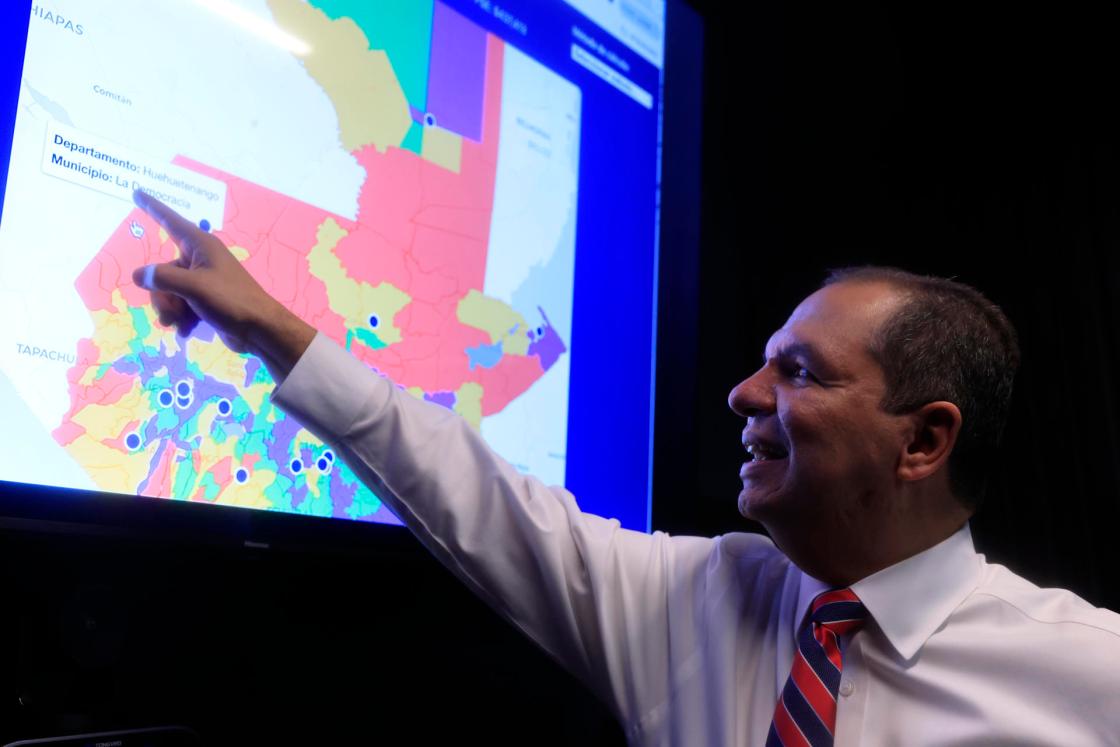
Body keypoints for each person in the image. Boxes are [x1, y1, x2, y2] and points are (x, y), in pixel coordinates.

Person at [129, 190, 1120, 746]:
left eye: (800, 372)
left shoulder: (1089, 674)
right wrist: (265, 325)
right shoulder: (704, 597)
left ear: (922, 441)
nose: (741, 393)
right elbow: (468, 492)